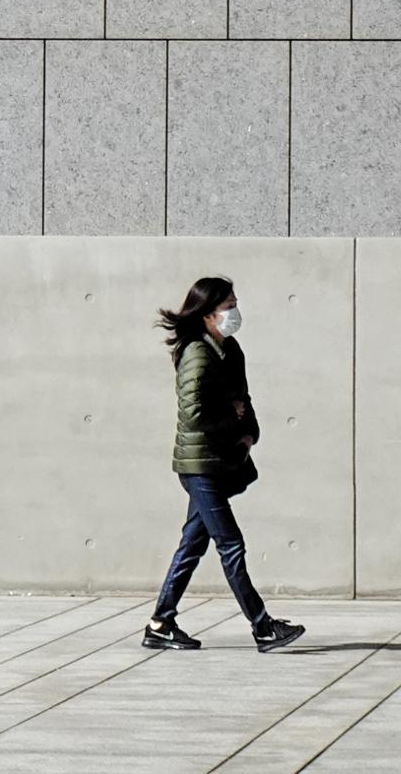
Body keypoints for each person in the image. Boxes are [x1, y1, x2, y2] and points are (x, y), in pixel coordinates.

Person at [142, 275, 305, 654]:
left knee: (192, 545)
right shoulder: (197, 353)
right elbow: (193, 414)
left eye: (235, 304)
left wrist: (249, 432)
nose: (235, 312)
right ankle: (263, 627)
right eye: (228, 306)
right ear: (207, 314)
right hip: (199, 464)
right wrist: (232, 419)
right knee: (230, 544)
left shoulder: (229, 349)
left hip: (217, 460)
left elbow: (242, 398)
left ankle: (160, 623)